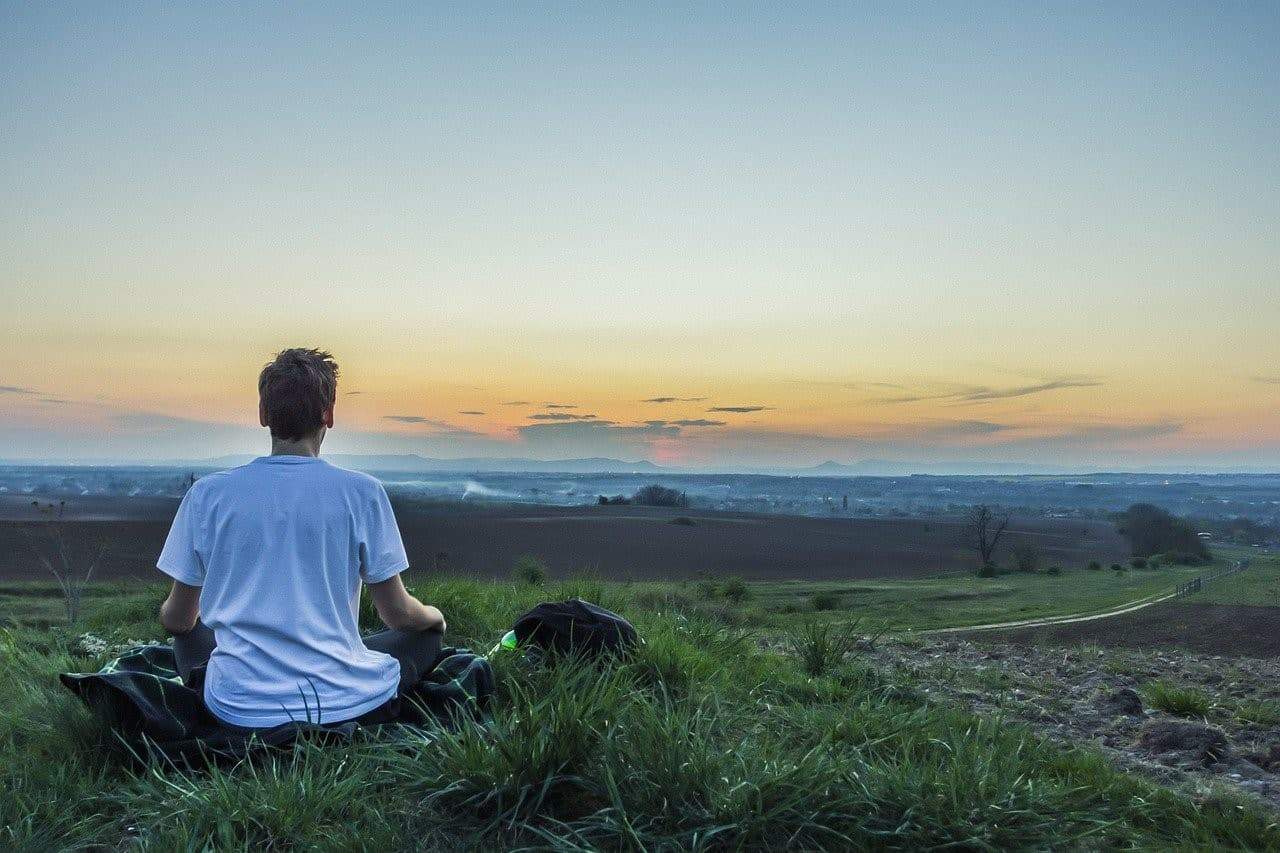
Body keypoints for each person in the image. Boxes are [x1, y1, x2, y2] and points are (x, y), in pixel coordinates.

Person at [156, 348, 446, 729]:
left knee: (189, 632)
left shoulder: (207, 496)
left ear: (263, 415)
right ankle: (342, 670)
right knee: (424, 639)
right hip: (343, 702)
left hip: (238, 708)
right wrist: (435, 618)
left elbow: (177, 620)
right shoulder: (362, 492)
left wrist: (191, 621)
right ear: (329, 414)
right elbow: (398, 615)